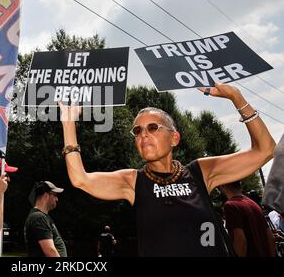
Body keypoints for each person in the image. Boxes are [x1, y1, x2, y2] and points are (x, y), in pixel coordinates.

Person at [59, 83, 275, 256]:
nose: (143, 134)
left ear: (174, 138)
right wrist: (69, 125)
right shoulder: (133, 181)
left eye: (153, 127)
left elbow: (265, 150)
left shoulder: (201, 172)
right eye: (137, 131)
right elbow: (80, 179)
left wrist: (237, 97)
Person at [219, 181, 276, 257]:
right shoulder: (254, 204)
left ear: (223, 185)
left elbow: (240, 240)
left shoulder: (230, 205)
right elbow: (270, 237)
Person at [24, 181, 67, 257]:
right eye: (55, 195)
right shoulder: (38, 217)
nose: (57, 199)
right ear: (46, 195)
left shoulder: (41, 216)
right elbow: (50, 251)